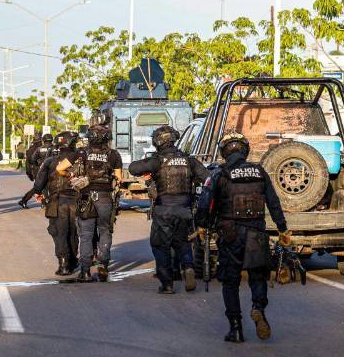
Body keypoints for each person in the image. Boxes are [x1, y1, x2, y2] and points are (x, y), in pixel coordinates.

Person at [196, 132, 293, 343]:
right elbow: (274, 202)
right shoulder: (259, 171)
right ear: (244, 150)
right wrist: (283, 229)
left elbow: (204, 203)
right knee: (258, 276)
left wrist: (201, 226)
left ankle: (236, 328)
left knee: (230, 281)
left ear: (224, 152)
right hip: (257, 233)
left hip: (229, 235)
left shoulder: (219, 174)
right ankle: (258, 308)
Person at [128, 125, 210, 294]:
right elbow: (208, 179)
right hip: (185, 210)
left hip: (164, 210)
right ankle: (188, 267)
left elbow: (133, 168)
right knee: (183, 242)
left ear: (158, 141)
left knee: (160, 245)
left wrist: (149, 169)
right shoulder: (189, 160)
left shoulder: (157, 160)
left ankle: (167, 284)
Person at [21, 131, 87, 276]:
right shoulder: (81, 158)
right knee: (74, 233)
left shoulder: (50, 161)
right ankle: (73, 260)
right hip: (78, 201)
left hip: (58, 202)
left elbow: (38, 186)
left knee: (59, 233)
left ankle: (64, 264)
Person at [75, 123, 122, 282]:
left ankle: (85, 271)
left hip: (85, 197)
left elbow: (62, 168)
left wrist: (74, 180)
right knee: (105, 231)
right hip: (105, 197)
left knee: (86, 235)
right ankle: (103, 265)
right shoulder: (113, 154)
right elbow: (119, 178)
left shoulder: (82, 152)